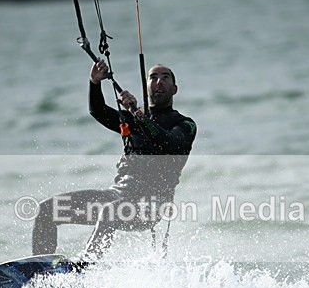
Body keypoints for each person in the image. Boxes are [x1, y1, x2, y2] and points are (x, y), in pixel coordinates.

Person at [31, 59, 197, 265]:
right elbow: (98, 111)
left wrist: (136, 112)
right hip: (118, 194)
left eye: (165, 78)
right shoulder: (133, 121)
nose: (159, 82)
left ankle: (86, 265)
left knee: (110, 211)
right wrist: (94, 82)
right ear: (146, 88)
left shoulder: (185, 124)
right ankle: (39, 270)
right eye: (153, 77)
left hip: (150, 206)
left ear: (175, 89)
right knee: (47, 209)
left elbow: (166, 143)